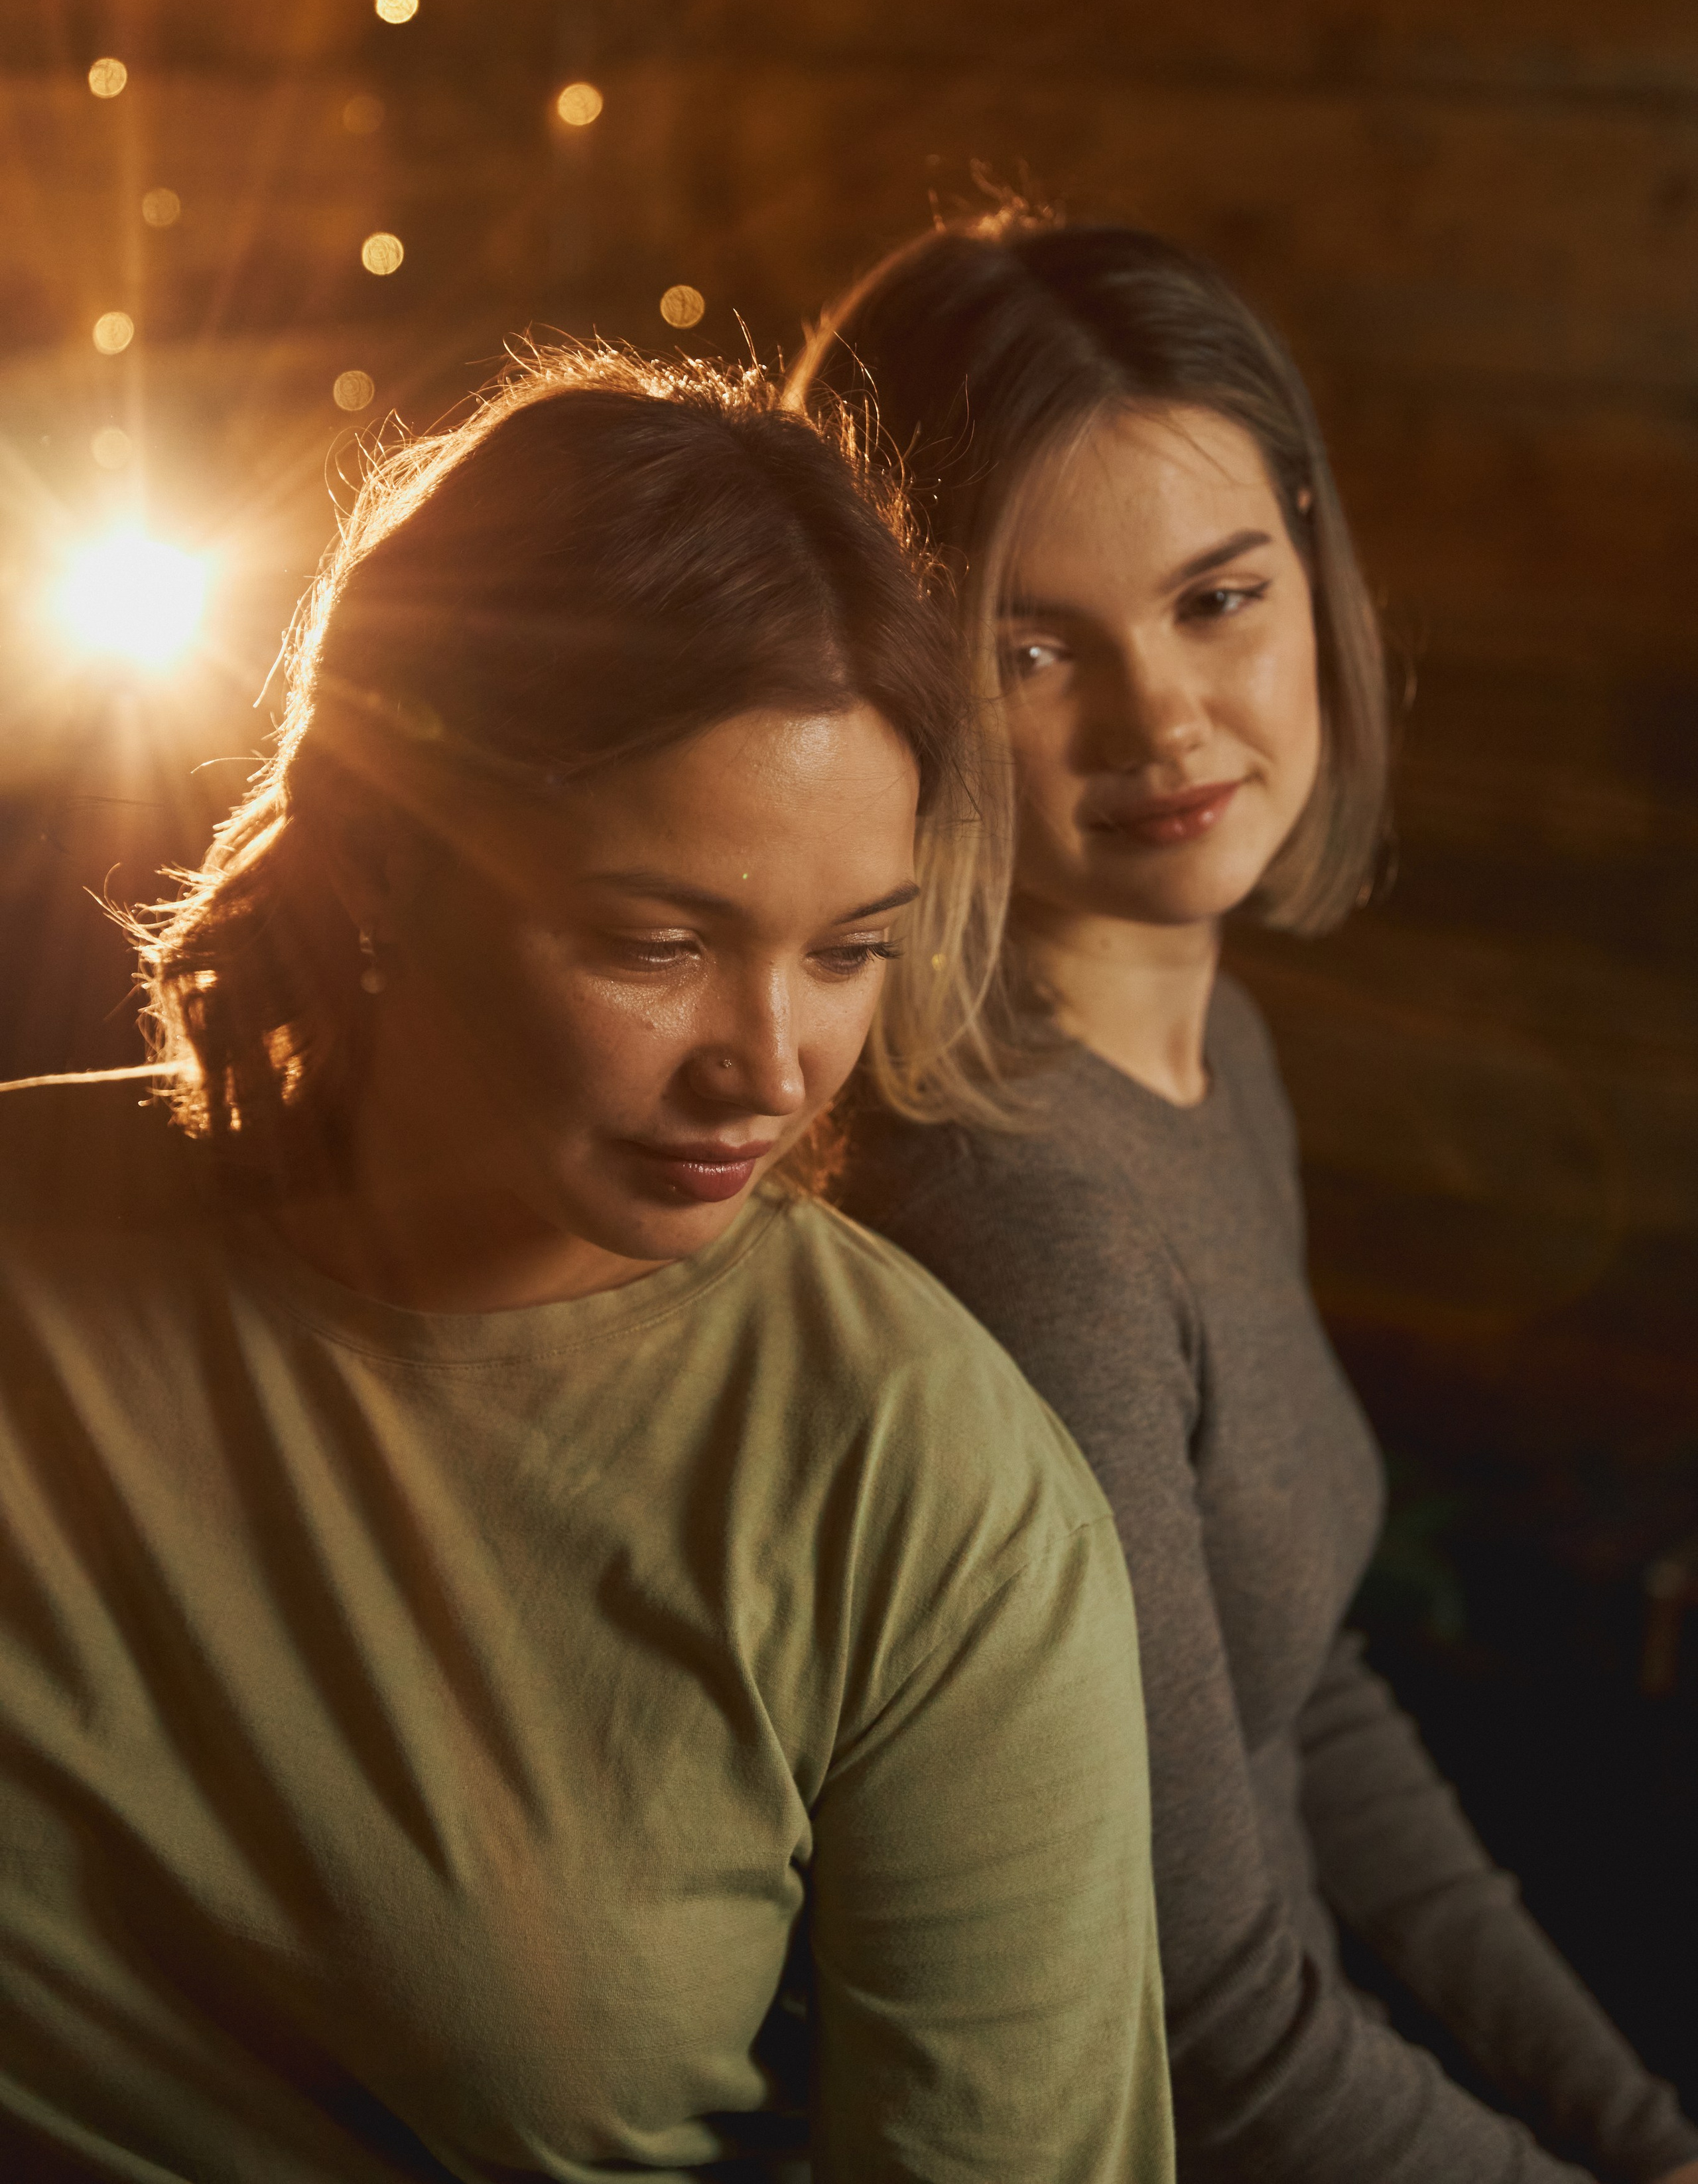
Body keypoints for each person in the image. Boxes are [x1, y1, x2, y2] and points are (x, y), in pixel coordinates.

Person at [0, 350, 1174, 2184]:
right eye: (655, 943)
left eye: (848, 952)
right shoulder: (35, 1235)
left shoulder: (931, 1496)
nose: (769, 1065)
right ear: (387, 863)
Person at [789, 209, 1698, 2184]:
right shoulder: (1028, 1217)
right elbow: (1205, 2037)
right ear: (901, 683)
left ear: (1313, 564)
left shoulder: (1213, 1056)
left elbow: (1308, 1704)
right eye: (1032, 649)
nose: (1166, 723)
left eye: (1218, 598)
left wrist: (1638, 2131)